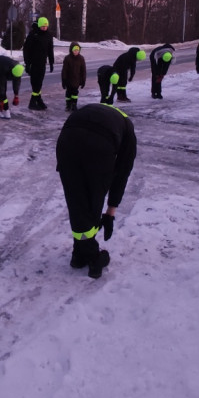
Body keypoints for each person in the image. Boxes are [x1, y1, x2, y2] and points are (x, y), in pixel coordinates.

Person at [56, 104, 137, 279]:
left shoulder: (101, 111)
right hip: (99, 145)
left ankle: (79, 254)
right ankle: (93, 257)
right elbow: (122, 173)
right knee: (93, 201)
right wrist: (110, 211)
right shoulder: (128, 129)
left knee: (76, 200)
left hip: (67, 141)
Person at [22, 17, 55, 110]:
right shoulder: (33, 34)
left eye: (46, 26)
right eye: (43, 26)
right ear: (39, 26)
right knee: (35, 83)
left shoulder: (48, 35)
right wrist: (27, 64)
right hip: (33, 63)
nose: (44, 28)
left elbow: (50, 50)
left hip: (42, 62)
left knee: (39, 82)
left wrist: (51, 62)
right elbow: (26, 50)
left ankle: (38, 100)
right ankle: (33, 102)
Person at [0, 55, 25, 119]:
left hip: (4, 65)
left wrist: (16, 95)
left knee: (2, 92)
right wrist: (1, 101)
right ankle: (6, 110)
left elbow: (16, 82)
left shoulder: (18, 68)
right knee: (1, 90)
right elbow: (0, 87)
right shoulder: (2, 70)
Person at [61, 42, 87, 111]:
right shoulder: (67, 58)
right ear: (71, 50)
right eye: (74, 50)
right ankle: (68, 105)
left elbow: (83, 70)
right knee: (68, 93)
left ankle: (74, 104)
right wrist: (64, 80)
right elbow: (64, 70)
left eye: (77, 50)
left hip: (77, 80)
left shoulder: (81, 59)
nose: (76, 52)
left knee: (75, 93)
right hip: (68, 80)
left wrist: (83, 80)